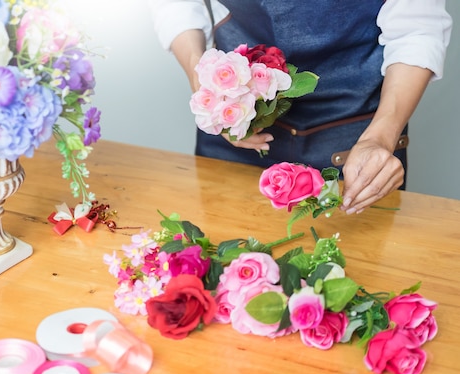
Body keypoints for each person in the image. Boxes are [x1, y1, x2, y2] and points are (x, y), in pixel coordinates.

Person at [148, 0, 452, 214]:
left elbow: (417, 31)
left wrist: (380, 138)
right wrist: (203, 83)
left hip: (355, 137)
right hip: (238, 126)